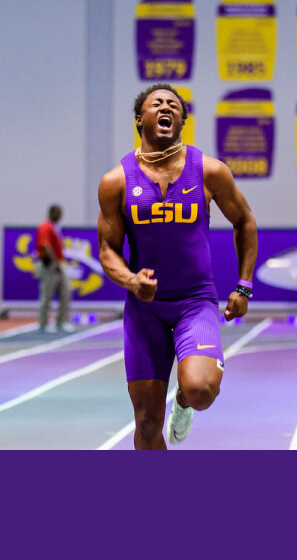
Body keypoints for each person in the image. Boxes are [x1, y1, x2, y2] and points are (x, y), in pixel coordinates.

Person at [97, 83, 257, 449]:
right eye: (157, 103)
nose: (166, 106)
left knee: (199, 389)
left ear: (182, 118)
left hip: (194, 302)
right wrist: (132, 281)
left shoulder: (210, 171)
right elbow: (107, 249)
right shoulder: (116, 181)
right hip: (144, 309)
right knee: (148, 424)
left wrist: (243, 286)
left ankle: (183, 402)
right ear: (140, 119)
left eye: (174, 104)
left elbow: (245, 221)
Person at [36, 204, 73, 333]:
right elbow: (45, 246)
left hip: (58, 263)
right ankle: (44, 322)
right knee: (47, 294)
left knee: (65, 291)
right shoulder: (45, 227)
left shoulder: (54, 227)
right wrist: (55, 262)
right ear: (52, 213)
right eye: (58, 213)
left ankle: (61, 321)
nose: (60, 216)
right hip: (49, 264)